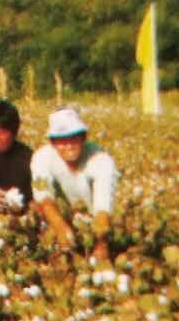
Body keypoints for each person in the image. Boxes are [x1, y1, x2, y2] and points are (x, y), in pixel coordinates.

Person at [30, 107, 118, 262]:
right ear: (53, 142)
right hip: (58, 216)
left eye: (74, 138)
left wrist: (100, 243)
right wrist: (60, 226)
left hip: (94, 221)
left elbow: (103, 207)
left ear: (83, 138)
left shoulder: (101, 160)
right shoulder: (41, 158)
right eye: (61, 140)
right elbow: (43, 197)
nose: (69, 145)